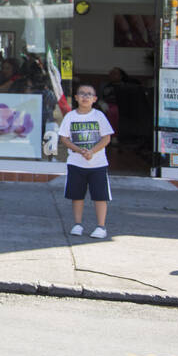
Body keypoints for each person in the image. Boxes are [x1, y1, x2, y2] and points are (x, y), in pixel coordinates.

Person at [58, 83, 113, 239]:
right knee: (77, 195)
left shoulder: (99, 116)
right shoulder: (70, 116)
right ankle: (77, 224)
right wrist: (79, 150)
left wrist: (91, 151)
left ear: (94, 99)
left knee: (100, 196)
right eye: (82, 93)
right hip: (76, 163)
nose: (85, 96)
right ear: (75, 97)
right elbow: (64, 138)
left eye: (89, 94)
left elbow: (106, 137)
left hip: (98, 164)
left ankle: (101, 226)